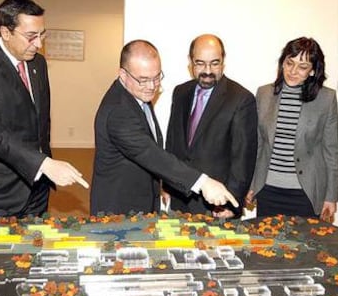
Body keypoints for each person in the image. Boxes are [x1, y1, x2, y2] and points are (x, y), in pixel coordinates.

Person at [0, 0, 88, 218]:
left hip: (38, 184)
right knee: (1, 252)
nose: (39, 44)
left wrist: (42, 168)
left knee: (36, 247)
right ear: (5, 32)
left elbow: (41, 121)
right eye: (31, 36)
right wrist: (45, 164)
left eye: (42, 34)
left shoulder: (37, 64)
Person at [90, 39, 238, 215]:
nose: (152, 87)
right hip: (119, 210)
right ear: (123, 74)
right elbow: (150, 154)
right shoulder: (118, 111)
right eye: (143, 80)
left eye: (156, 77)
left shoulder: (136, 95)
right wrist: (203, 182)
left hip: (141, 203)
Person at [246, 37, 338, 221]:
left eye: (302, 66)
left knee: (304, 248)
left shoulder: (326, 99)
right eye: (289, 63)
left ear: (313, 70)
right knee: (267, 246)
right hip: (268, 189)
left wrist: (331, 196)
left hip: (305, 193)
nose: (293, 71)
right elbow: (257, 145)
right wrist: (251, 184)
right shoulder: (264, 93)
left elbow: (331, 151)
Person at [164, 34, 258, 219]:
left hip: (216, 205)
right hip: (179, 198)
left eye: (215, 63)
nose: (208, 70)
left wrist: (232, 203)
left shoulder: (241, 99)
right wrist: (167, 184)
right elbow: (173, 141)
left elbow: (243, 158)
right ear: (190, 63)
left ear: (223, 62)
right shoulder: (180, 92)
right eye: (200, 63)